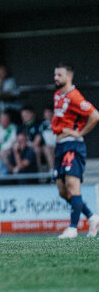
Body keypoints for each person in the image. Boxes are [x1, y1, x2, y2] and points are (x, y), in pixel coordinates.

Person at [51, 63, 99, 239]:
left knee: (73, 186)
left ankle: (72, 228)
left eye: (59, 75)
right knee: (63, 191)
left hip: (73, 145)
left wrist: (79, 133)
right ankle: (93, 217)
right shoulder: (57, 95)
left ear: (69, 77)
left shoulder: (75, 97)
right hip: (60, 147)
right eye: (55, 75)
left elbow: (95, 116)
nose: (56, 78)